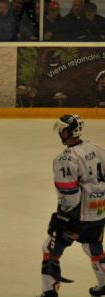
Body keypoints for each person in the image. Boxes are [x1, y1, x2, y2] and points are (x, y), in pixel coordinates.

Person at [39, 115, 105, 297]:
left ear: (67, 132)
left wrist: (61, 216)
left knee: (50, 250)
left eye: (62, 130)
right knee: (93, 246)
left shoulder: (65, 158)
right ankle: (104, 284)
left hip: (77, 216)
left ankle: (49, 292)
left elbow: (69, 195)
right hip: (99, 211)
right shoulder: (96, 148)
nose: (60, 132)